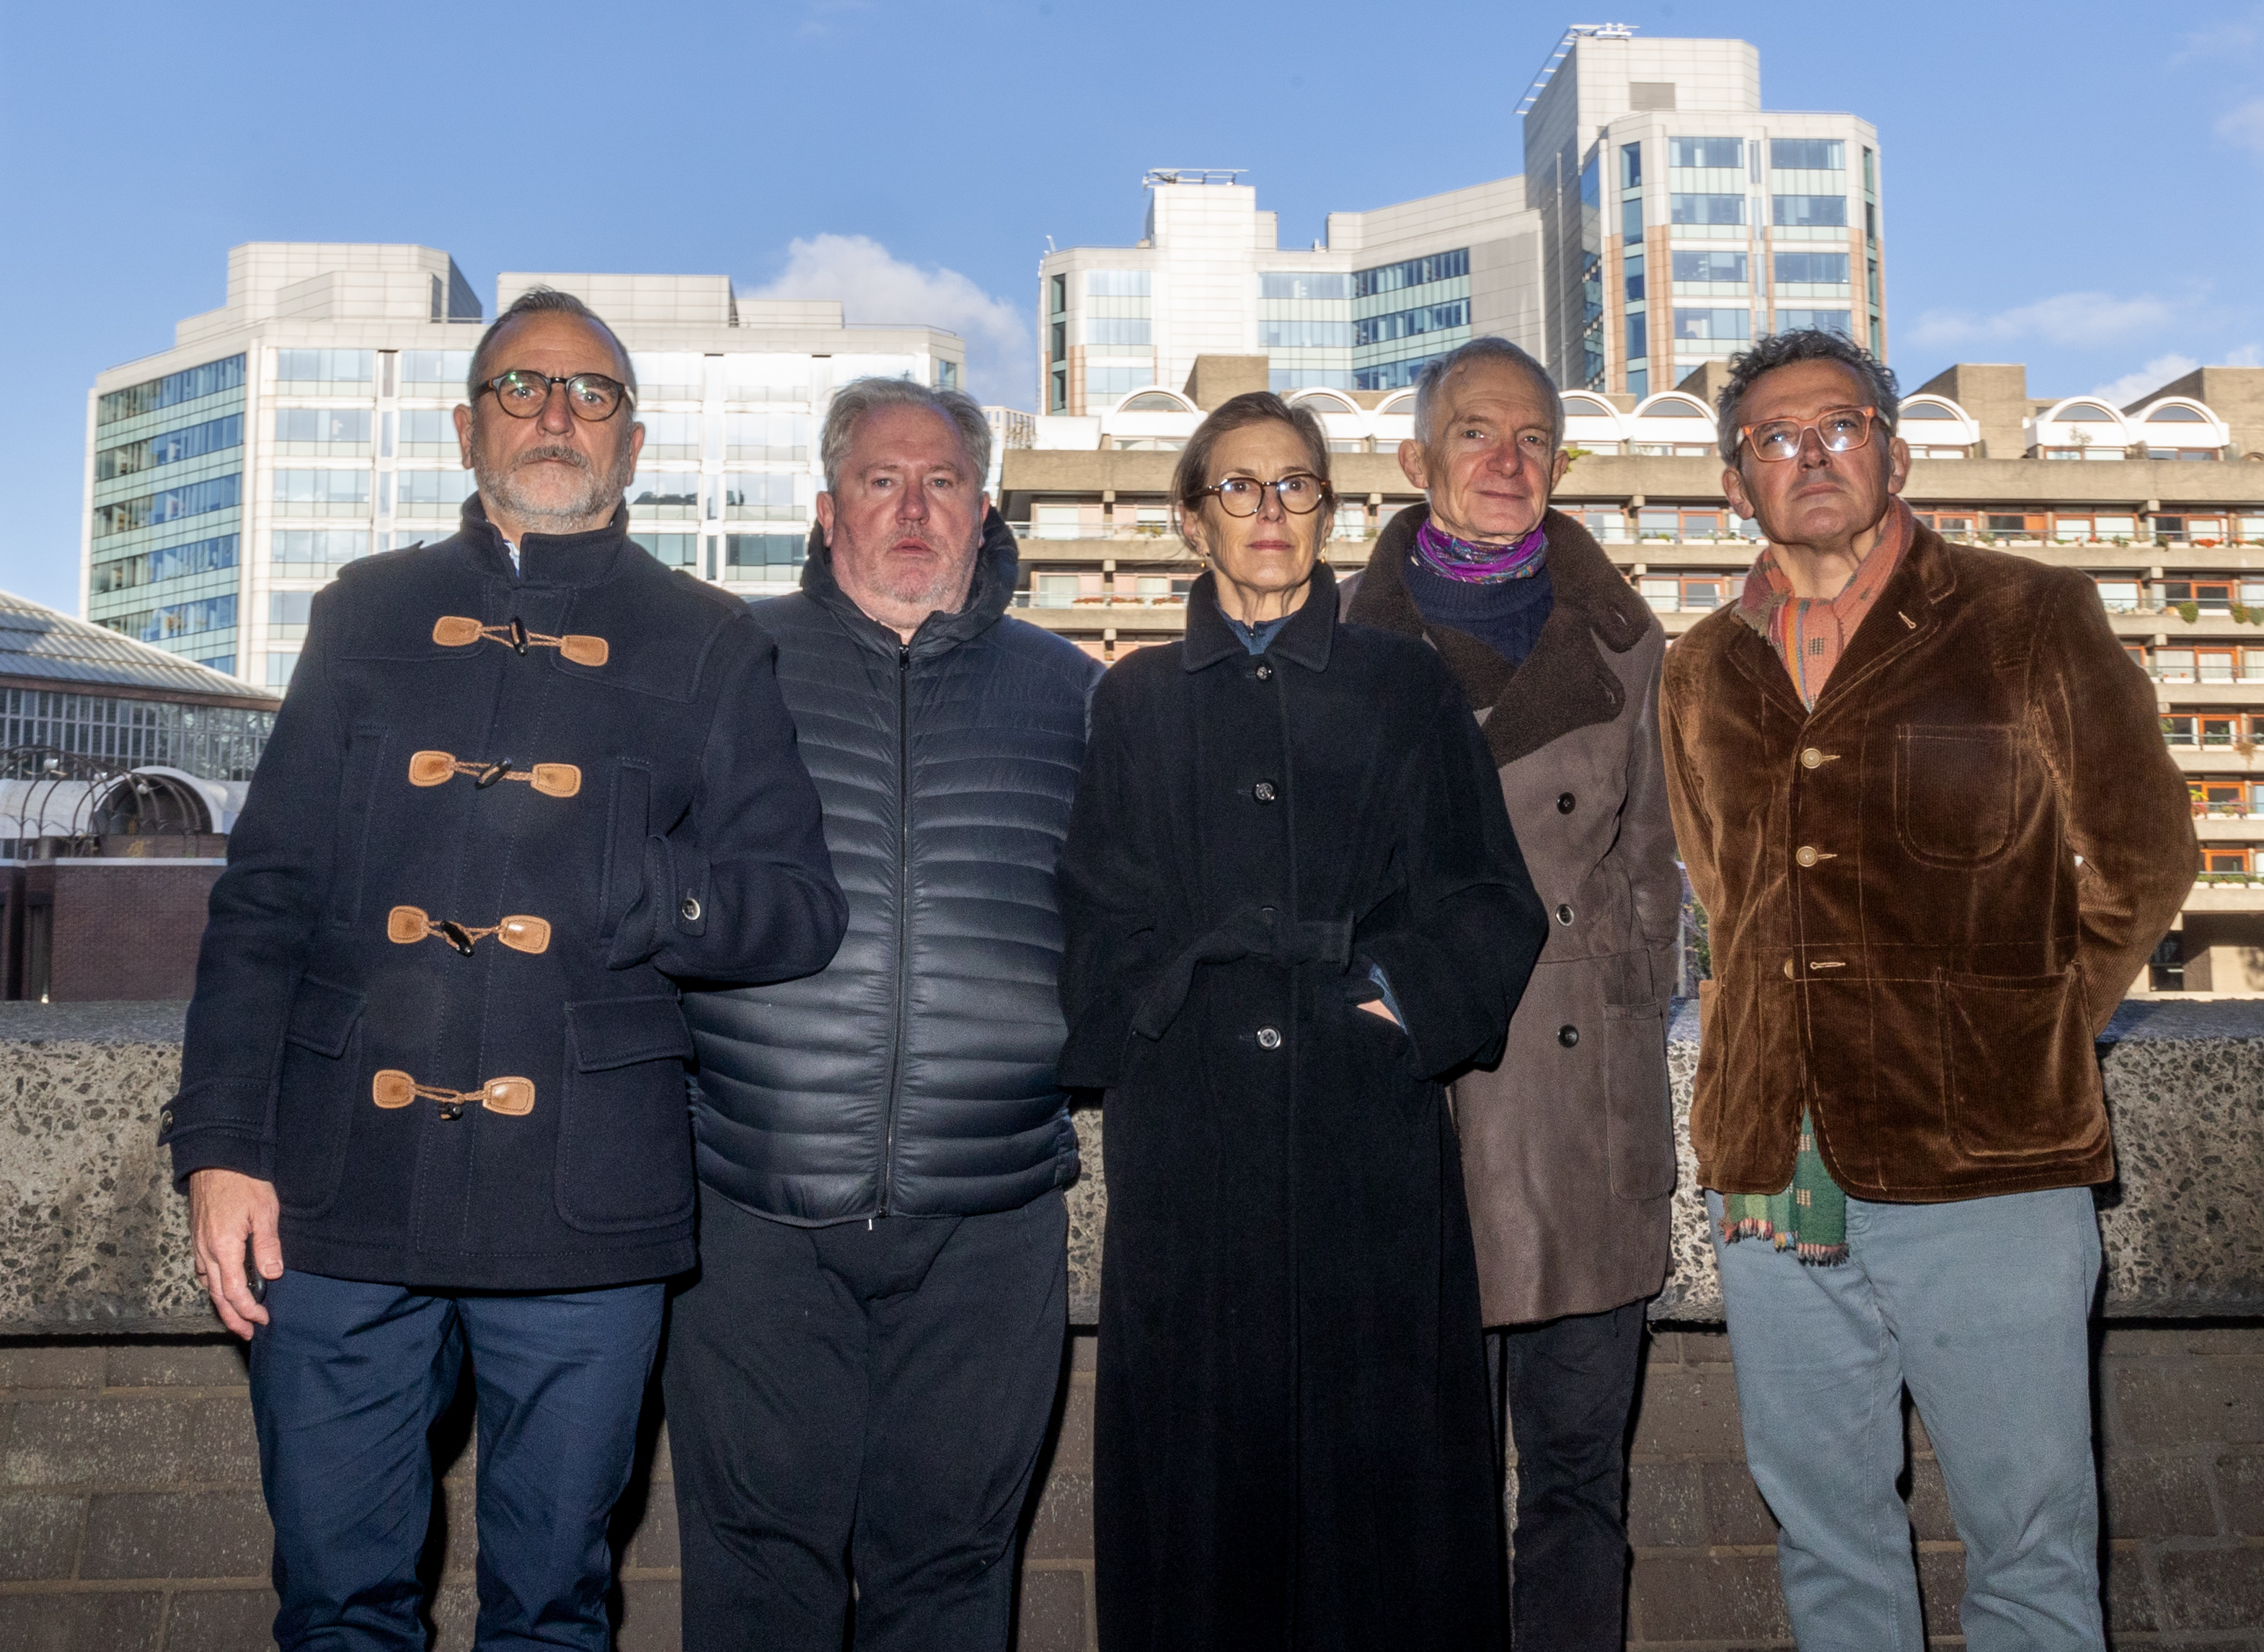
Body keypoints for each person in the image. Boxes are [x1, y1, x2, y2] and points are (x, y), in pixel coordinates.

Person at [168, 287, 846, 1650]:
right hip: (339, 1190)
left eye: (592, 393)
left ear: (633, 443)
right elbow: (266, 897)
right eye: (522, 387)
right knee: (335, 1605)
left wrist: (640, 886)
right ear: (465, 427)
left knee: (551, 1611)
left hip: (583, 1199)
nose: (555, 414)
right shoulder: (364, 611)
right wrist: (221, 1145)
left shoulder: (712, 638)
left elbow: (796, 907)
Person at [1655, 330, 2196, 1652]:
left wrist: (2020, 1037)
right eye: (1774, 439)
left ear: (1892, 453)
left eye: (1839, 425)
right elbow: (1726, 907)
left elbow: (2143, 859)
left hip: (1990, 1161)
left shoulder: (2027, 615)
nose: (1811, 455)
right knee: (1824, 1537)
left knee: (2028, 1540)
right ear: (1734, 483)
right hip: (1774, 1169)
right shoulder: (1698, 667)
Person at [1058, 389, 1547, 1652]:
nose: (1269, 510)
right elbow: (1091, 916)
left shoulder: (1404, 684)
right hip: (1190, 1149)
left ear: (1328, 513)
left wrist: (1392, 1001)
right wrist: (1160, 1015)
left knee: (1377, 1511)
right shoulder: (1133, 697)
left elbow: (1489, 900)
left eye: (1296, 485)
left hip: (1363, 1137)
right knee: (1195, 1500)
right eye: (1238, 485)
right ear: (1190, 519)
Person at [668, 376, 1100, 1652]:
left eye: (942, 482)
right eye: (880, 481)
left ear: (983, 511)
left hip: (989, 1217)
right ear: (827, 508)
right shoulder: (723, 667)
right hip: (751, 1211)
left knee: (955, 1575)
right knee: (756, 1578)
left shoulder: (1073, 694)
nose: (913, 510)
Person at [1343, 338, 1676, 1650]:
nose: (1506, 460)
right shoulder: (1337, 641)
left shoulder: (1624, 639)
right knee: (1419, 1487)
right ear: (1414, 459)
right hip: (1415, 1103)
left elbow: (1649, 864)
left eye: (1533, 438)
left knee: (1579, 1480)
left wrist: (1625, 1004)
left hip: (1585, 1114)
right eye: (1475, 433)